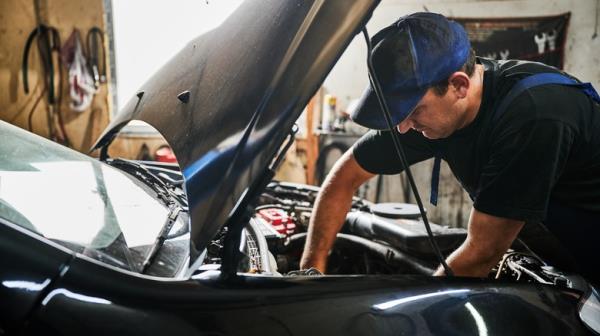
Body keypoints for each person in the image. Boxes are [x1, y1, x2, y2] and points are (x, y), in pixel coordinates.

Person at [300, 12, 600, 285]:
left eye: (412, 111)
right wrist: (311, 270)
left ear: (459, 85)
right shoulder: (435, 109)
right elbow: (345, 177)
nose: (402, 127)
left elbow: (481, 253)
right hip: (557, 252)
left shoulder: (534, 116)